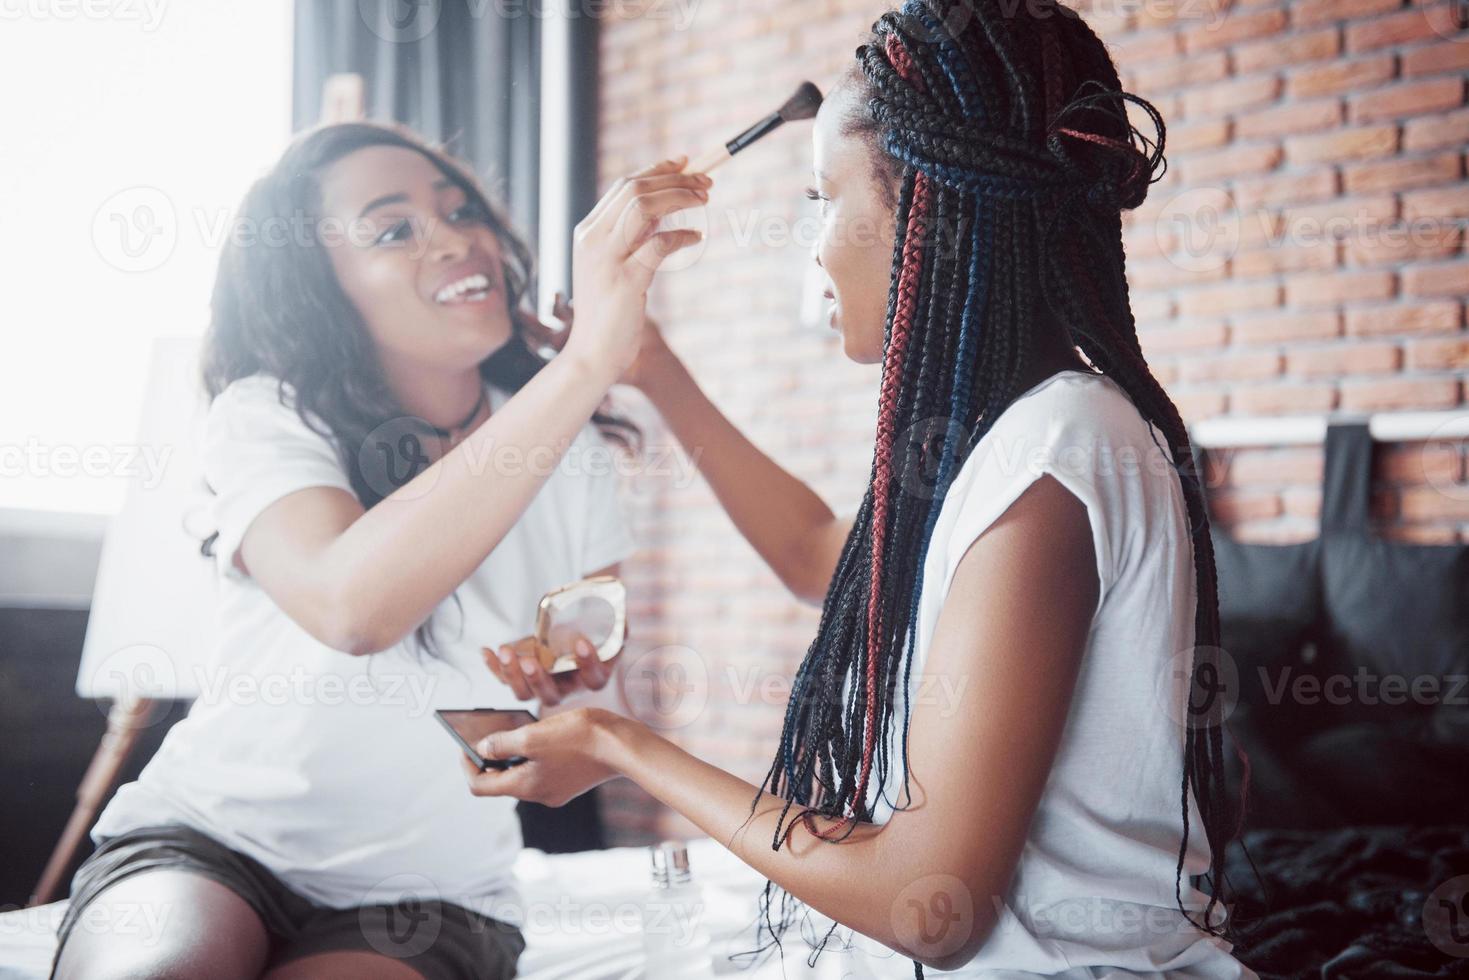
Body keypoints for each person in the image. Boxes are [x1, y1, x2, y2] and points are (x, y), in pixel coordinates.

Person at [463, 1, 1257, 976]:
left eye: (820, 200)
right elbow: (813, 551)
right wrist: (650, 366)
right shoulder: (1014, 436)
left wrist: (621, 745)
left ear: (929, 210)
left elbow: (934, 909)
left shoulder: (1057, 451)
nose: (811, 246)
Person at [51, 122, 709, 980]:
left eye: (460, 209)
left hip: (427, 890)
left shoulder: (571, 450)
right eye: (394, 229)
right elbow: (350, 608)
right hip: (213, 839)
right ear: (321, 287)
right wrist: (585, 362)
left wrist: (564, 659)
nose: (454, 238)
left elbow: (589, 622)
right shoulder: (268, 416)